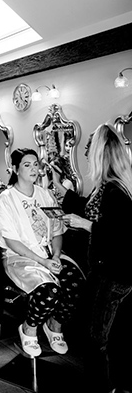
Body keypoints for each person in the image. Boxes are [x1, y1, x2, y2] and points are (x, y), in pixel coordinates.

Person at [62, 124, 132, 393]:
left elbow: (122, 235)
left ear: (101, 154)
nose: (88, 155)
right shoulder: (115, 187)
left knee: (95, 340)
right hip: (114, 273)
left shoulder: (115, 192)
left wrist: (86, 225)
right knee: (115, 338)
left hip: (113, 274)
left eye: (91, 150)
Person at [0, 148, 85, 357]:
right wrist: (42, 262)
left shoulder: (45, 195)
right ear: (16, 169)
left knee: (76, 284)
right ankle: (29, 328)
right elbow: (10, 240)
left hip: (50, 256)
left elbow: (56, 230)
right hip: (21, 258)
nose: (34, 169)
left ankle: (55, 325)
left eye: (36, 164)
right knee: (49, 291)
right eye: (27, 165)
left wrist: (55, 255)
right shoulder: (7, 198)